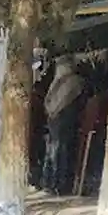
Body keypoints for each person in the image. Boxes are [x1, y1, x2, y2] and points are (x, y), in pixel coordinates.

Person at [42, 56, 85, 196]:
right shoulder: (66, 82)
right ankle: (54, 184)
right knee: (57, 153)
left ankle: (57, 184)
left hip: (61, 123)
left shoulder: (70, 82)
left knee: (58, 153)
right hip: (60, 123)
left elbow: (51, 103)